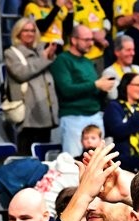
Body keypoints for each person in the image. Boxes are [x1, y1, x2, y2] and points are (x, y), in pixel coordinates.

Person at [50, 24, 114, 156]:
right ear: (74, 40)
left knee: (99, 161)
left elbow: (93, 89)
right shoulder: (62, 60)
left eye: (92, 39)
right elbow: (66, 90)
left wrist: (103, 88)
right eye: (86, 40)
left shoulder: (88, 62)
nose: (91, 43)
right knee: (74, 162)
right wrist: (95, 85)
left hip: (94, 115)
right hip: (73, 117)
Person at [4, 17, 59, 154]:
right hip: (29, 113)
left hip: (45, 109)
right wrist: (44, 59)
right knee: (27, 152)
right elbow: (21, 73)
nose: (30, 34)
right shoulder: (11, 53)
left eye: (32, 31)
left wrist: (50, 56)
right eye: (26, 31)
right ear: (18, 33)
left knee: (44, 152)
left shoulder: (40, 51)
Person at [103, 72, 139, 172]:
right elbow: (119, 131)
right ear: (126, 85)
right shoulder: (114, 106)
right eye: (137, 85)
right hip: (123, 163)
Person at [102, 34, 139, 101]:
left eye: (133, 50)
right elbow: (114, 96)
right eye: (128, 50)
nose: (132, 53)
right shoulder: (109, 73)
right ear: (117, 52)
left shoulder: (137, 69)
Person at [70, 0, 109, 73]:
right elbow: (73, 29)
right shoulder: (71, 3)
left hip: (99, 54)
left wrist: (104, 31)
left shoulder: (95, 1)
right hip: (81, 57)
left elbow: (106, 21)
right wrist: (96, 38)